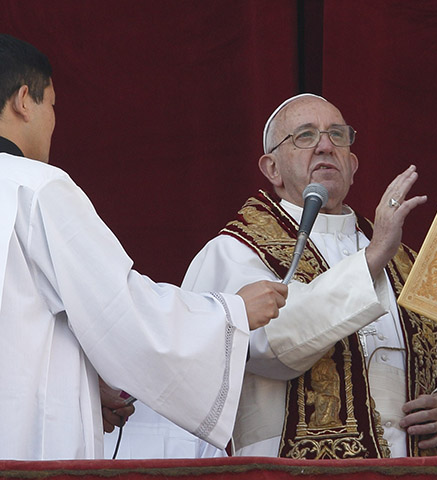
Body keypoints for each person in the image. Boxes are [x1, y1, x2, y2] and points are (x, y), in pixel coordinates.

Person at [0, 33, 288, 460]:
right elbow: (121, 310)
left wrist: (78, 377)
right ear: (25, 100)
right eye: (52, 105)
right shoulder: (36, 189)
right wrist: (231, 313)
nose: (53, 122)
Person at [182, 93, 437, 458]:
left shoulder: (407, 262)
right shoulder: (236, 251)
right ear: (272, 169)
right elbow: (269, 345)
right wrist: (372, 259)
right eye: (305, 136)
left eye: (337, 136)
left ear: (352, 163)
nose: (325, 145)